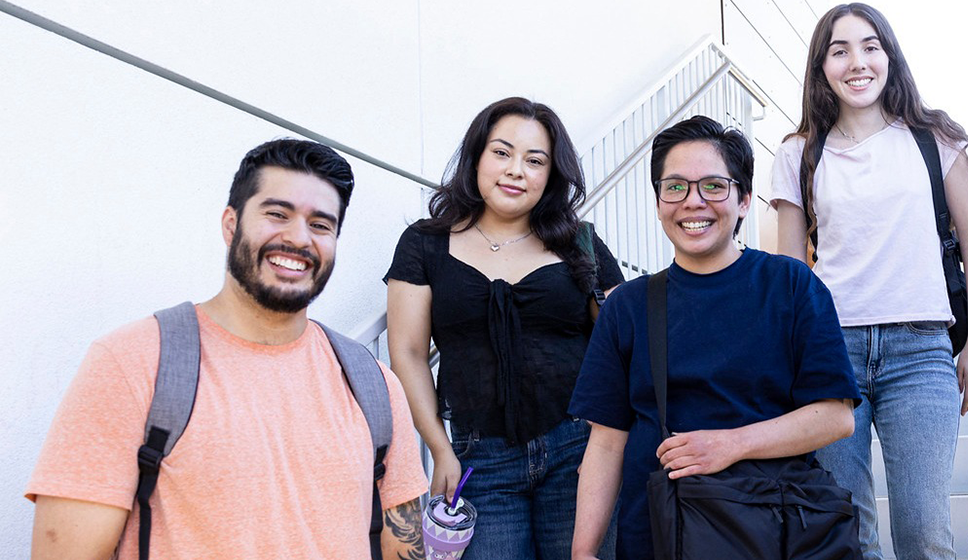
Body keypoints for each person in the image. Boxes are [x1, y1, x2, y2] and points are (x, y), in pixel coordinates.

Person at [26, 139, 429, 560]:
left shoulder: (374, 384)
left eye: (321, 224)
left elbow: (404, 546)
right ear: (230, 224)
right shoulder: (134, 361)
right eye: (277, 214)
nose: (298, 238)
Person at [570, 116, 860, 560]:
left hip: (774, 530)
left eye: (712, 186)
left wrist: (731, 444)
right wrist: (583, 550)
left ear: (744, 200)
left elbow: (834, 417)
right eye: (675, 187)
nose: (692, 202)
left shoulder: (790, 284)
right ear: (658, 201)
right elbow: (607, 440)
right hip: (658, 535)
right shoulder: (628, 306)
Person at [770, 4, 968, 558]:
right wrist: (788, 358)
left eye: (870, 46)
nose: (857, 62)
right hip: (830, 353)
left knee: (922, 530)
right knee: (845, 531)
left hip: (920, 352)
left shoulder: (933, 139)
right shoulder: (798, 152)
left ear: (889, 55)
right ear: (822, 66)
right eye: (839, 50)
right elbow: (792, 272)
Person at [385, 96, 623, 559]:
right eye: (502, 152)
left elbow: (621, 344)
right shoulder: (425, 243)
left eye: (535, 161)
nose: (516, 170)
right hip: (478, 461)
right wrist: (439, 448)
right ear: (477, 156)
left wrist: (607, 441)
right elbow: (409, 353)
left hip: (578, 450)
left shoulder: (581, 243)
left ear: (551, 176)